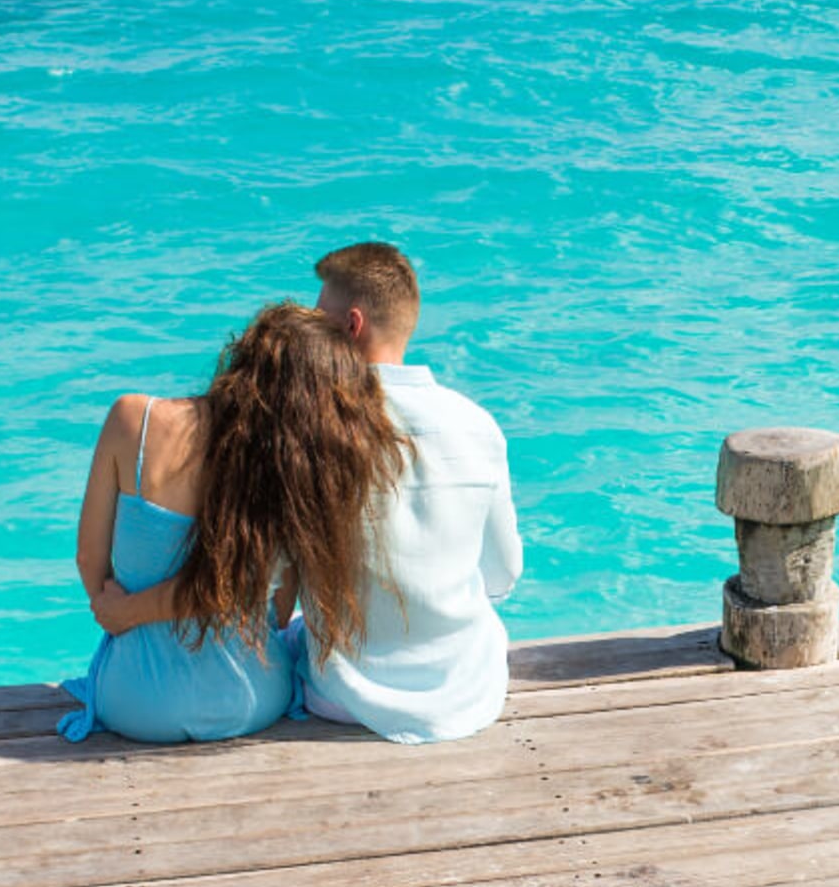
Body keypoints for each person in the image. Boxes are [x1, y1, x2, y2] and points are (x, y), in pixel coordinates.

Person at [63, 303, 409, 744]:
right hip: (252, 701)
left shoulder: (134, 419)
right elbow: (279, 614)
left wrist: (117, 612)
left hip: (135, 705)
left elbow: (88, 556)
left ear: (244, 354)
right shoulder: (291, 475)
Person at [287, 242, 524, 743]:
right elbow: (503, 574)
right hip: (466, 690)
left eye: (319, 320)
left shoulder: (311, 432)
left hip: (340, 697)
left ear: (352, 326)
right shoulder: (477, 425)